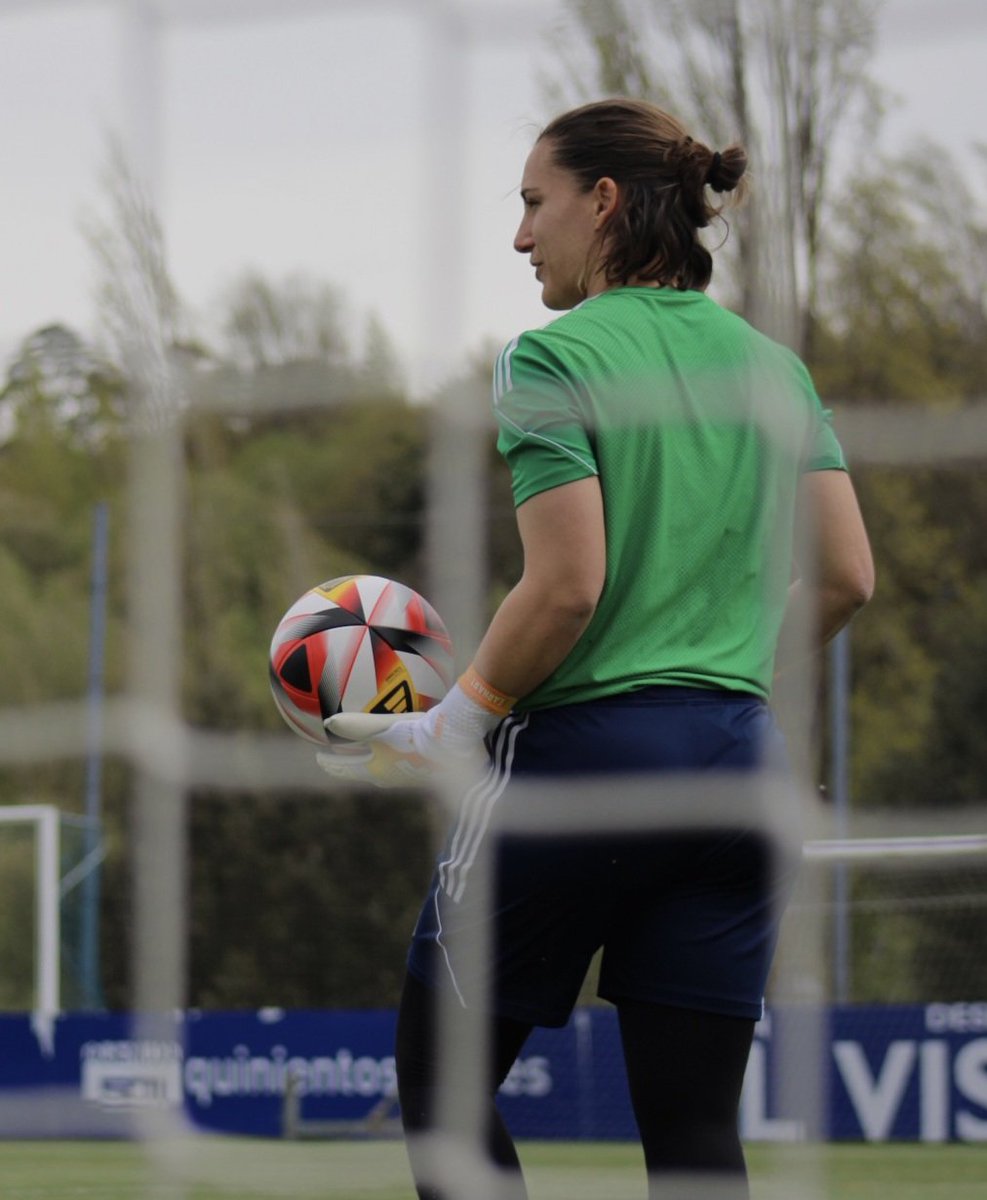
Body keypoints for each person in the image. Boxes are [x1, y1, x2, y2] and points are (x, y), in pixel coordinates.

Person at [320, 98, 874, 1200]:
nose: (520, 236)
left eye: (536, 203)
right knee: (695, 1134)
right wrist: (718, 690)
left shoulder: (550, 358)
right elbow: (848, 578)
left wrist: (452, 722)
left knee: (439, 1091)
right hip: (740, 771)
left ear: (605, 201)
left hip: (581, 772)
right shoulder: (774, 370)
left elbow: (567, 587)